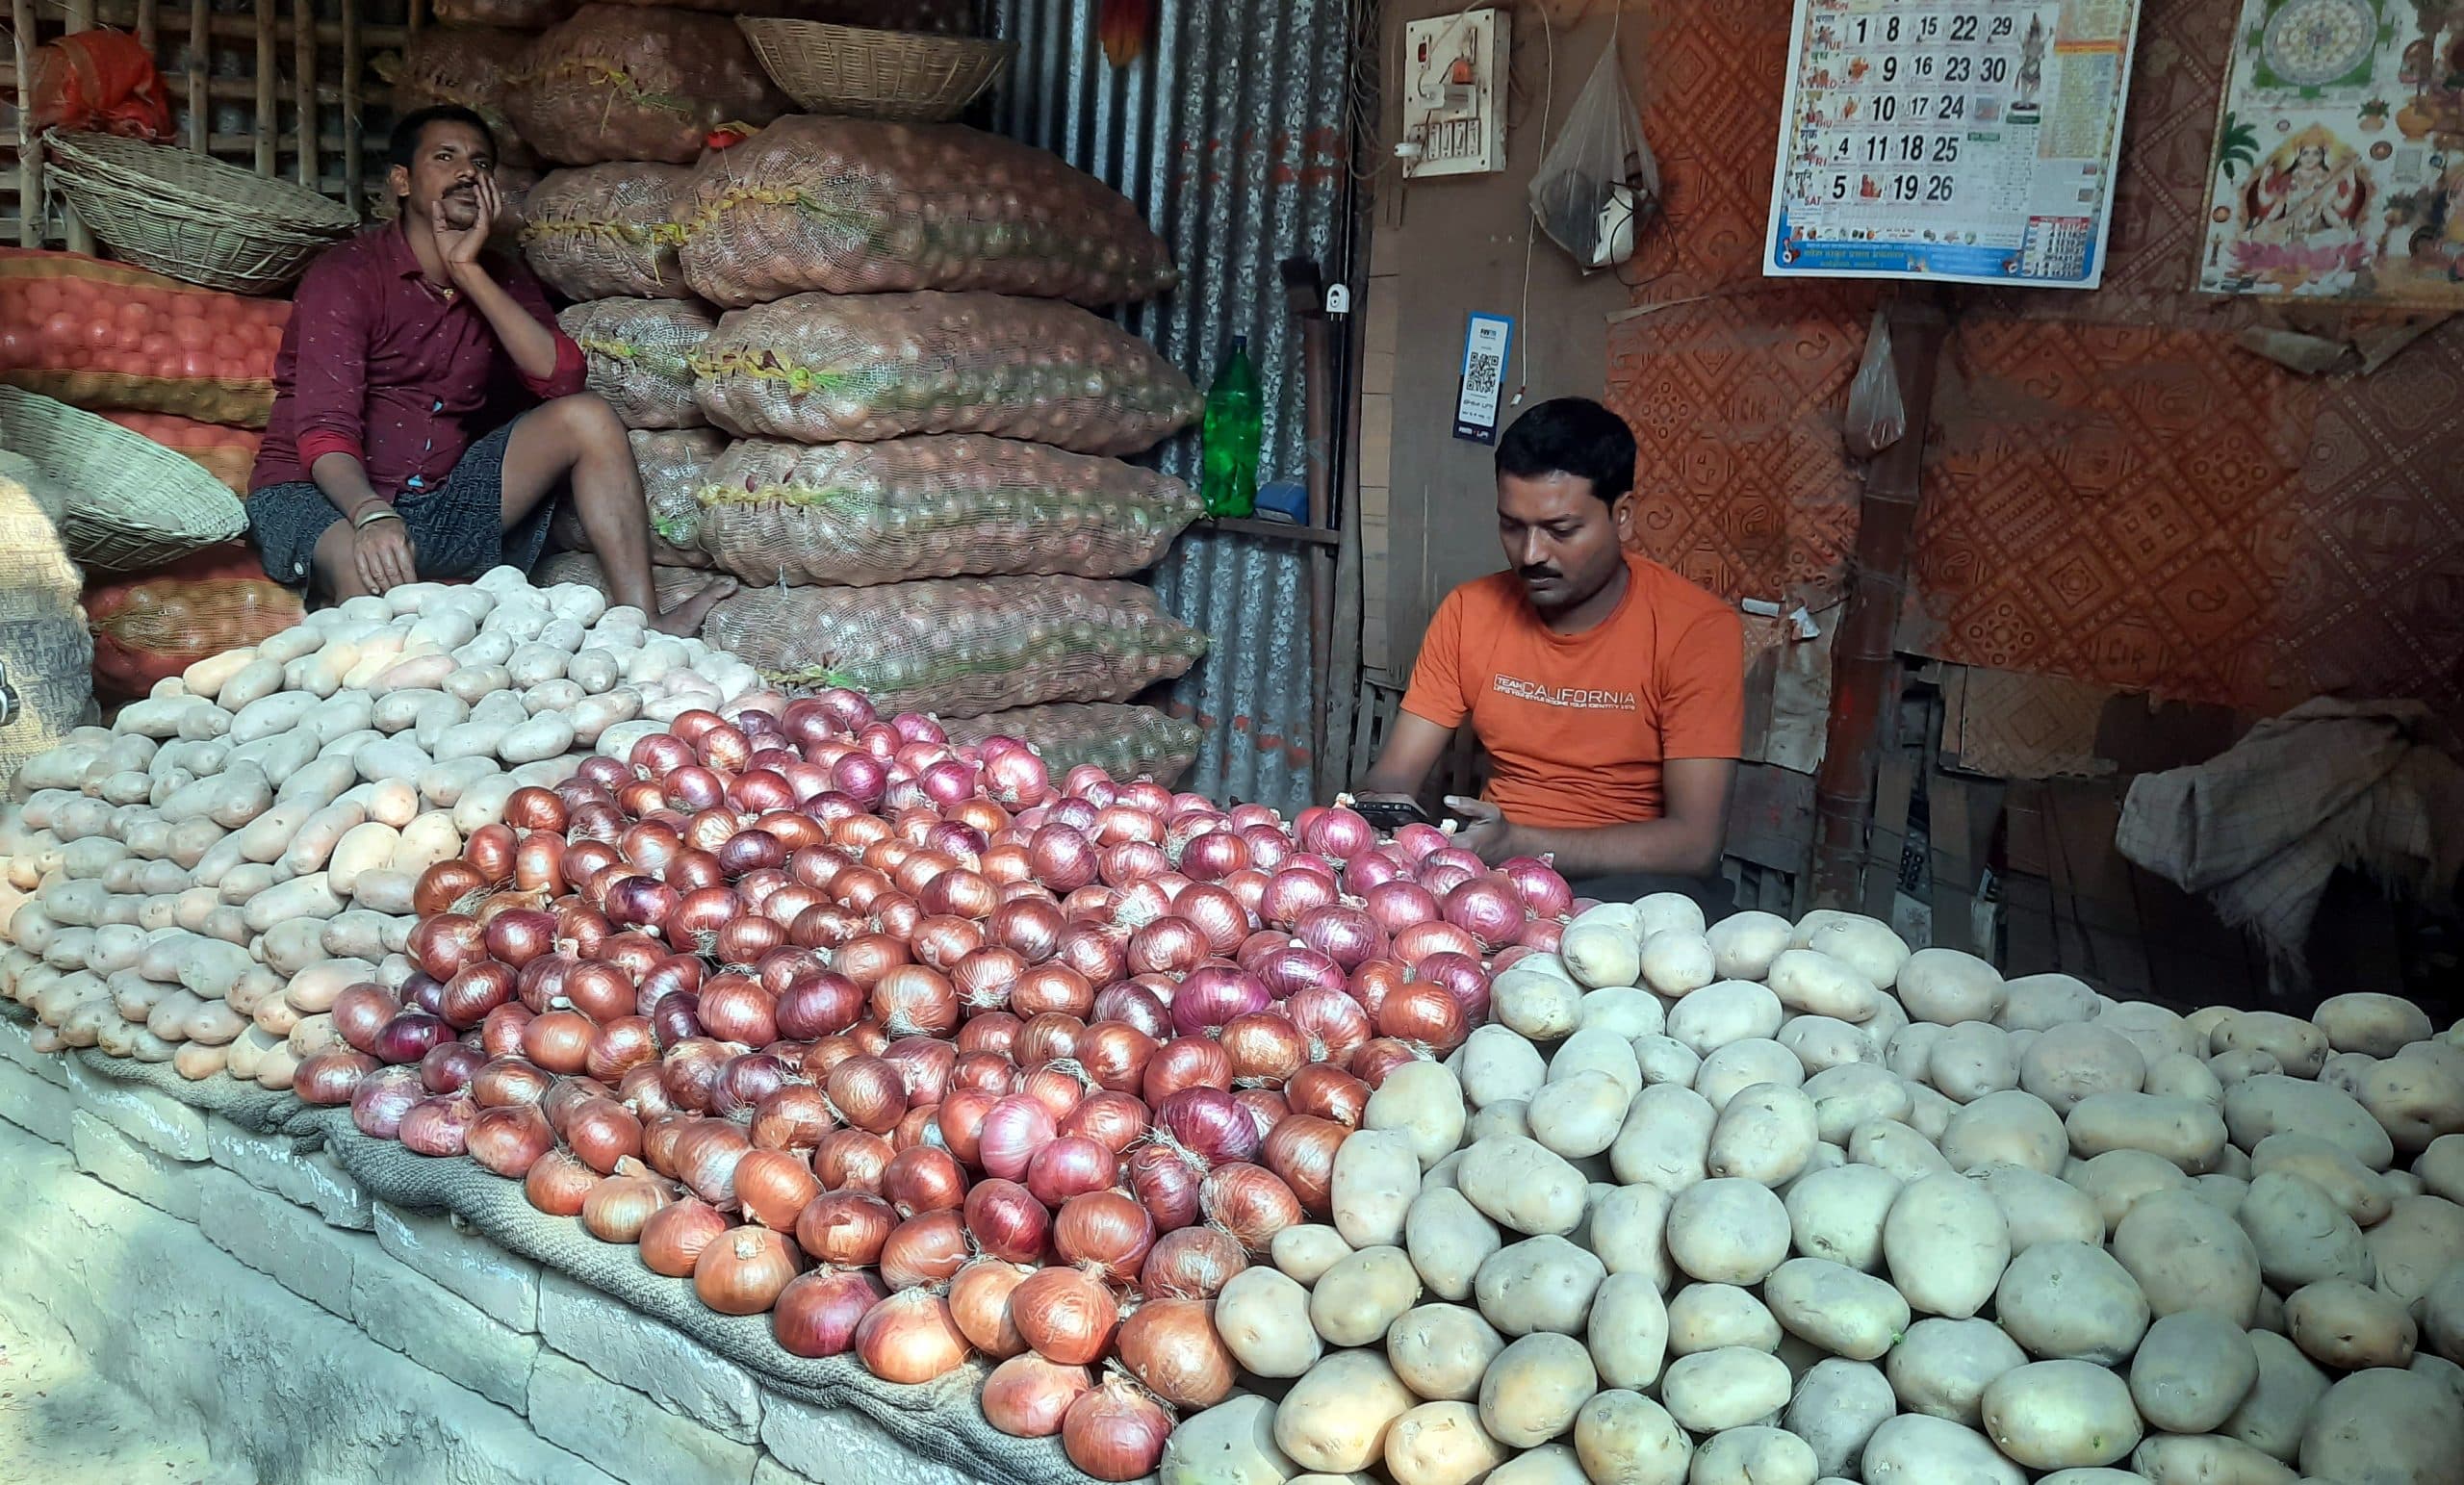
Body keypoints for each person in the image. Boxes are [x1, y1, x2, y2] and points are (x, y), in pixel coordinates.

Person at [244, 104, 733, 632]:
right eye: (445, 157)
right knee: (368, 585)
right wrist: (371, 515)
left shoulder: (500, 276)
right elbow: (324, 431)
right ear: (402, 181)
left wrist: (469, 272)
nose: (465, 174)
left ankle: (641, 621)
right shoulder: (347, 275)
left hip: (439, 499)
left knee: (587, 417)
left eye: (479, 163)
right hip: (325, 497)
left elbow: (563, 379)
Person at [1355, 397, 1745, 917]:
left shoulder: (1694, 629)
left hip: (1634, 888)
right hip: (1490, 877)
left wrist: (1519, 841)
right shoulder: (1469, 611)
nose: (1532, 553)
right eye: (1512, 526)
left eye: (1561, 531)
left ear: (1622, 517)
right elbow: (1394, 777)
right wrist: (1392, 818)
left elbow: (1695, 845)